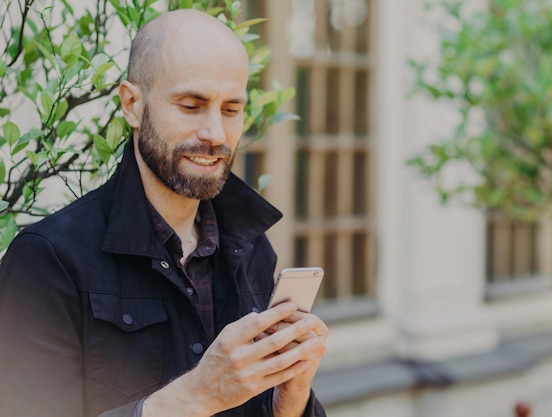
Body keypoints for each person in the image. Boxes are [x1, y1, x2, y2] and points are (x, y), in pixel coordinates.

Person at [0, 9, 328, 417]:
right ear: (132, 104)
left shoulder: (252, 248)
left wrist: (291, 399)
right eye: (191, 105)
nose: (215, 134)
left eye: (231, 109)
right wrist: (196, 397)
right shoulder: (47, 259)